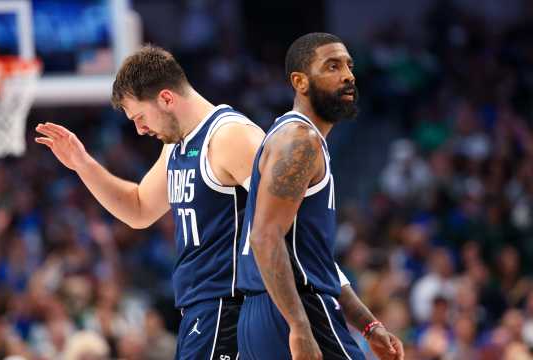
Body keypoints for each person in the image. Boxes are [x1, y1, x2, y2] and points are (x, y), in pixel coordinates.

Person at [35, 45, 264, 359]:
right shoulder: (177, 146)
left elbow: (287, 218)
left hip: (231, 305)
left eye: (140, 117)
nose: (140, 129)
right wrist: (83, 164)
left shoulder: (230, 137)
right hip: (200, 310)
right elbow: (139, 209)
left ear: (167, 98)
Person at [237, 33, 405, 360]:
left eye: (349, 65)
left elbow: (316, 263)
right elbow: (264, 236)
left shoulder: (297, 138)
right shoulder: (300, 140)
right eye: (332, 66)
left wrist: (368, 326)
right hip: (295, 309)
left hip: (263, 314)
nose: (348, 75)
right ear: (300, 82)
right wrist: (299, 326)